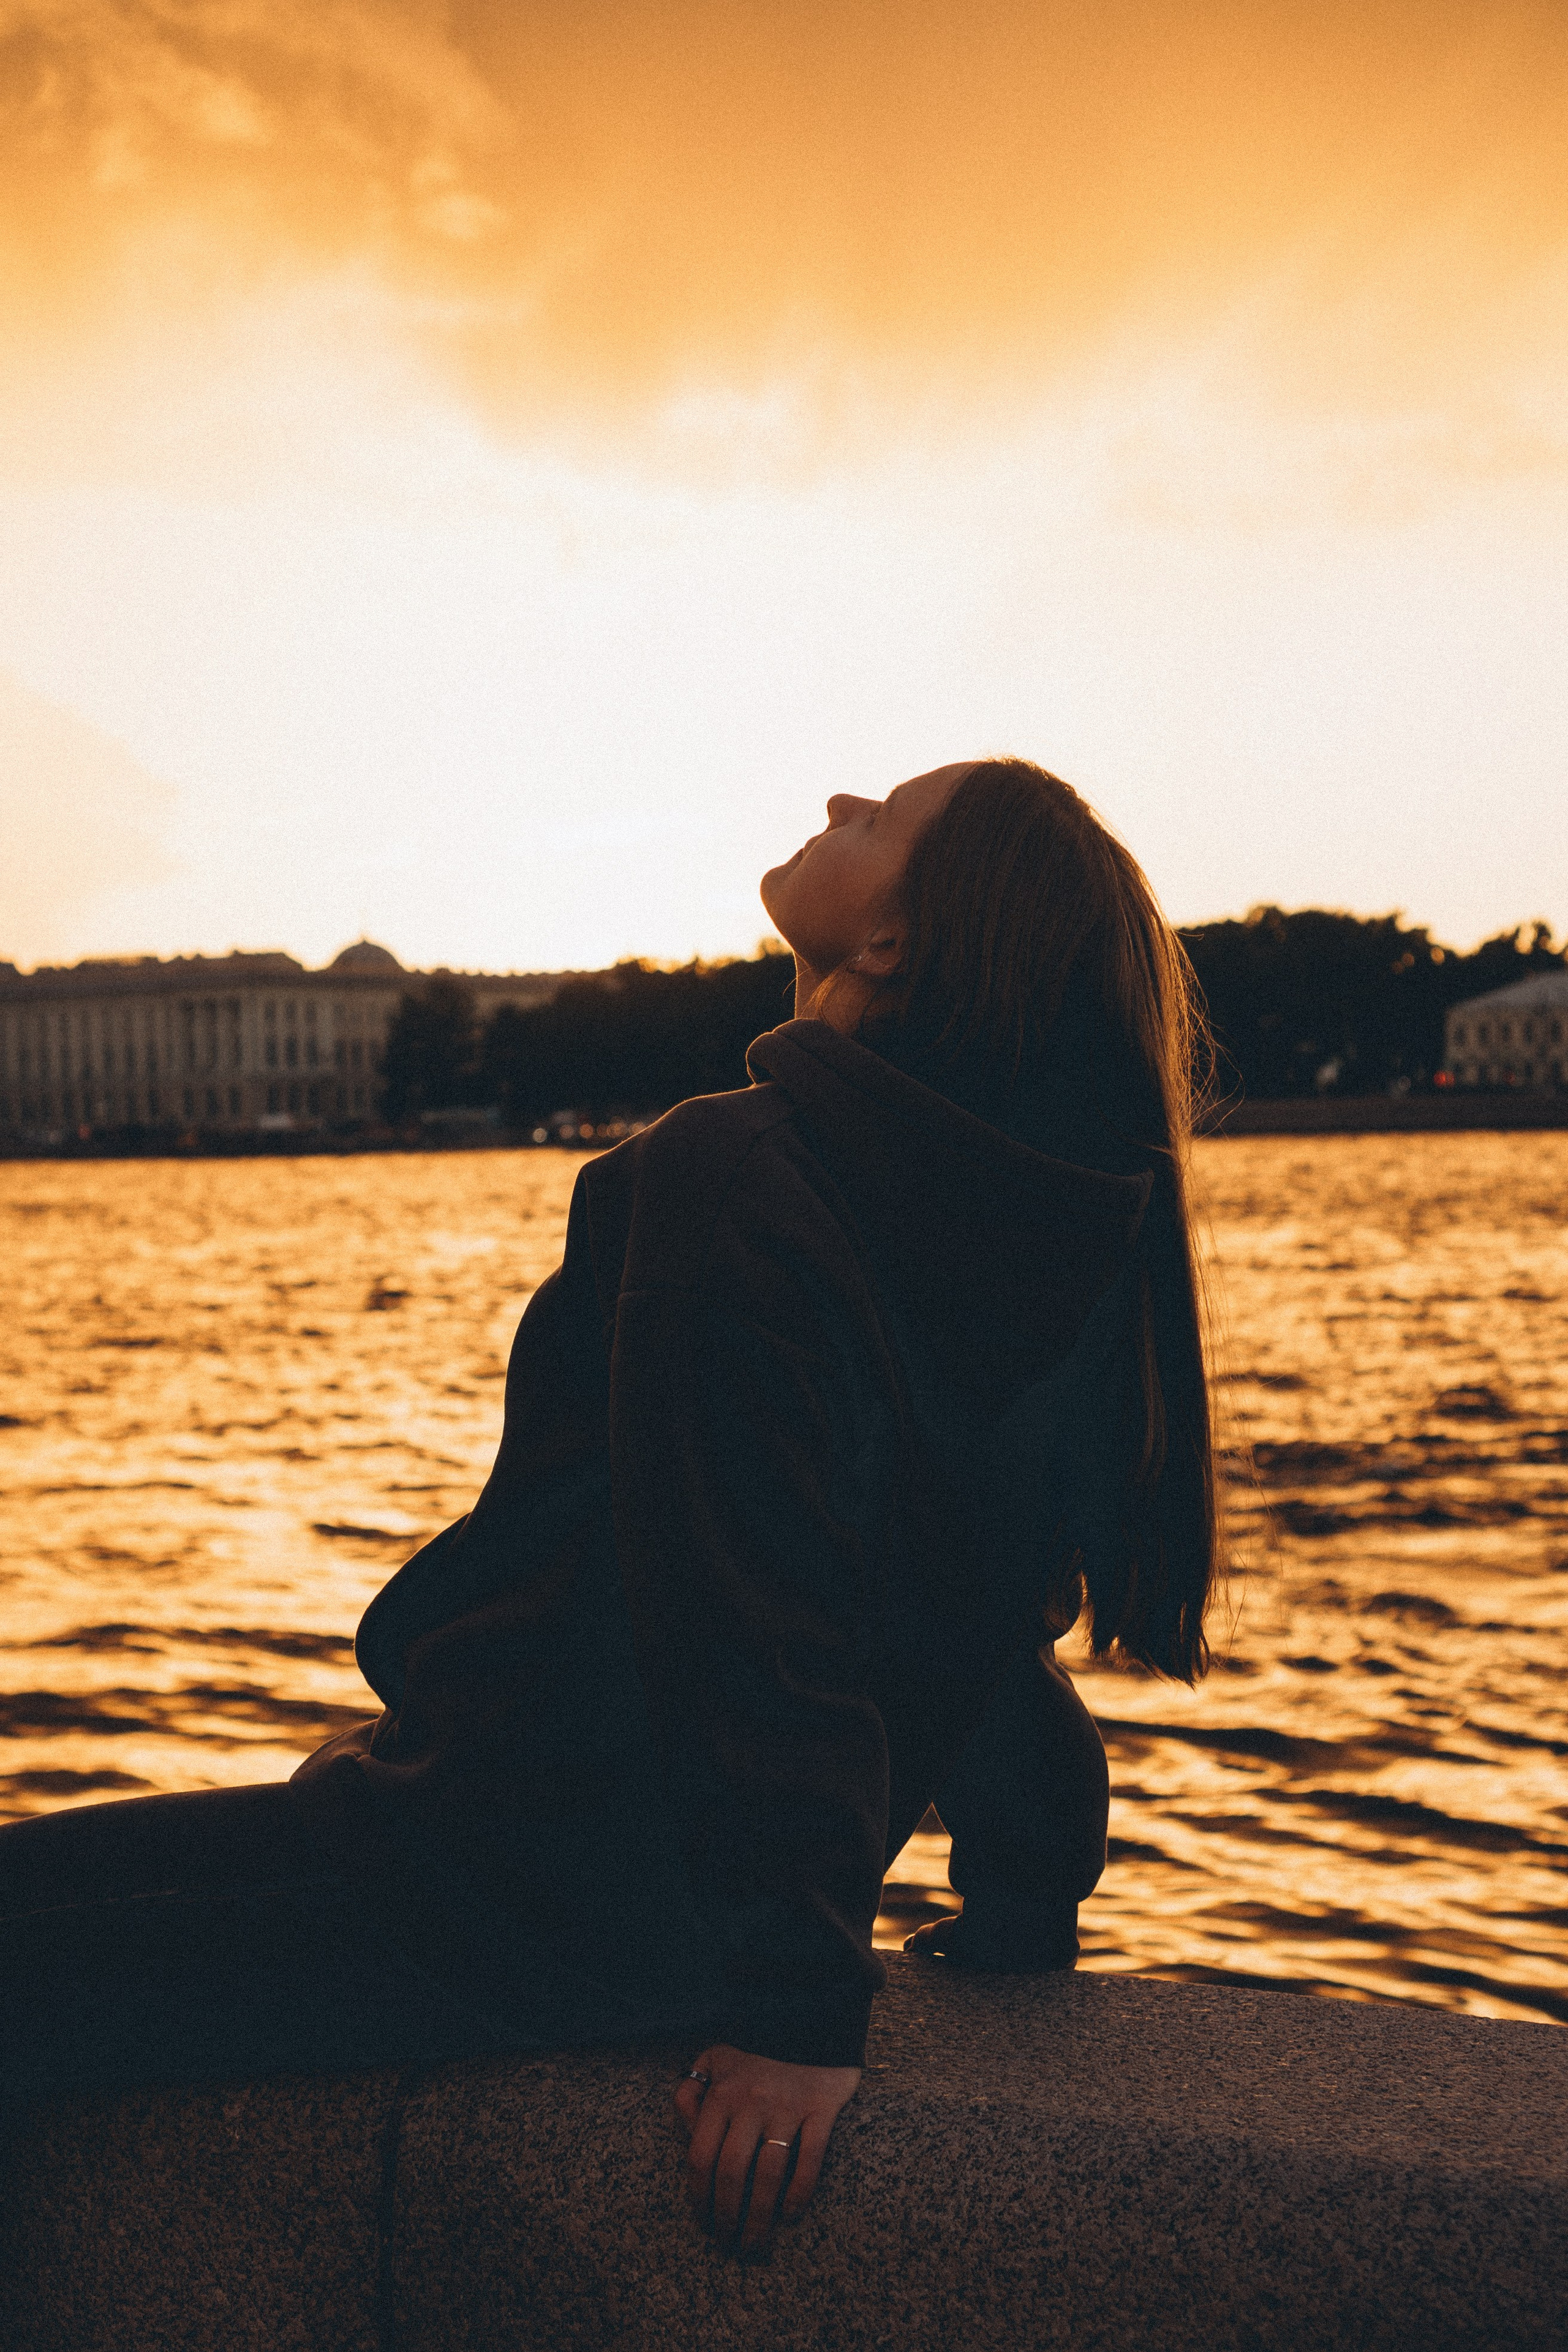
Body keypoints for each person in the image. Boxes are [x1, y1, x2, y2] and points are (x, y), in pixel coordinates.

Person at [0, 756, 1218, 2260]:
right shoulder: (1023, 1220)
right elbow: (958, 1602)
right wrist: (1026, 1897)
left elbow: (744, 1606)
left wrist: (798, 2018)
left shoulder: (737, 1169)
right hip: (654, 1905)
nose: (840, 802)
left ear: (895, 946)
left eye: (883, 818)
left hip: (509, 1891)